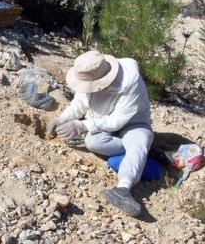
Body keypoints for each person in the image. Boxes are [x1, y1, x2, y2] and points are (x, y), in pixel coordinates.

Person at [47, 50, 153, 217]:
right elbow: (80, 102)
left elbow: (117, 121)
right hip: (101, 124)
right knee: (92, 142)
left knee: (138, 141)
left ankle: (123, 188)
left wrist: (81, 125)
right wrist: (62, 119)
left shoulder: (130, 81)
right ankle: (136, 154)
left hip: (133, 124)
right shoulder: (90, 73)